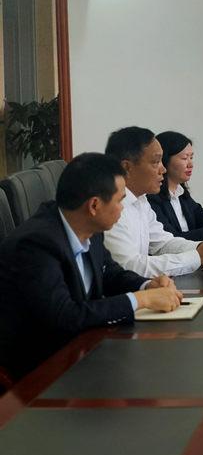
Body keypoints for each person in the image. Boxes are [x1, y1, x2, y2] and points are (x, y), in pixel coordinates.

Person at [0, 153, 183, 382]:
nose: (122, 209)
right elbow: (65, 316)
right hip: (41, 368)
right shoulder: (36, 244)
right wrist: (141, 300)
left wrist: (147, 285)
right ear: (94, 205)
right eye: (119, 201)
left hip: (83, 348)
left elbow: (110, 273)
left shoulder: (88, 227)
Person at [104, 126, 203, 278]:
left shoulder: (142, 201)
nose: (163, 170)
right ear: (127, 168)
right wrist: (199, 255)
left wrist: (202, 247)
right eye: (156, 162)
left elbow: (163, 244)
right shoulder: (110, 208)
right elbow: (131, 266)